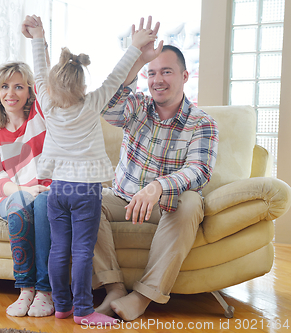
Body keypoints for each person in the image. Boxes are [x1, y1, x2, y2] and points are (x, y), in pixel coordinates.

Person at [24, 15, 158, 326]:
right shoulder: (91, 103)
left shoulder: (47, 101)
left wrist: (37, 38)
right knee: (82, 251)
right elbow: (116, 76)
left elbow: (40, 74)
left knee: (59, 249)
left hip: (58, 190)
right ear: (83, 84)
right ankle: (83, 310)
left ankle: (61, 306)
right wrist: (135, 47)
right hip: (85, 191)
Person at [92, 17, 219, 321]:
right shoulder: (136, 105)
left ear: (185, 76)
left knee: (192, 201)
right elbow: (105, 107)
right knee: (84, 197)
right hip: (123, 198)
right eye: (152, 73)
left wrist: (157, 187)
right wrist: (136, 60)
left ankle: (143, 296)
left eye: (166, 72)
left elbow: (199, 170)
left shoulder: (203, 123)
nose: (157, 79)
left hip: (168, 206)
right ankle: (113, 288)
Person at [0, 60, 54, 317]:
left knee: (44, 204)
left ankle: (45, 292)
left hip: (45, 193)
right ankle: (25, 290)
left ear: (30, 92)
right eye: (4, 86)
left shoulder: (39, 116)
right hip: (13, 196)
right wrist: (24, 191)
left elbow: (48, 84)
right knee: (20, 204)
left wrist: (39, 41)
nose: (10, 93)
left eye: (18, 87)